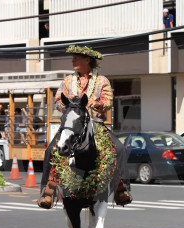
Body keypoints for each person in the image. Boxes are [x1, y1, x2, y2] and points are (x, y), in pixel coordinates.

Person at [39, 45, 130, 208]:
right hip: (72, 126)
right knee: (50, 150)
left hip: (96, 126)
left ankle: (121, 190)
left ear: (88, 60)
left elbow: (108, 102)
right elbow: (58, 101)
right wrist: (69, 105)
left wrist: (96, 103)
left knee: (120, 149)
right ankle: (47, 192)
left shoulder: (102, 81)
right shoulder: (67, 81)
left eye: (77, 58)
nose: (73, 60)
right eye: (73, 57)